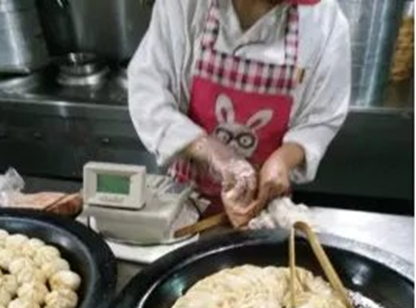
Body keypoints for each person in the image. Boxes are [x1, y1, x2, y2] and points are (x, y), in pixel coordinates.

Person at [128, 0, 351, 227]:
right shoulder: (185, 5)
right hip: (184, 205)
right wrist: (212, 151)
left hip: (265, 213)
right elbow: (148, 93)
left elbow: (322, 116)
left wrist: (283, 159)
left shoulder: (324, 19)